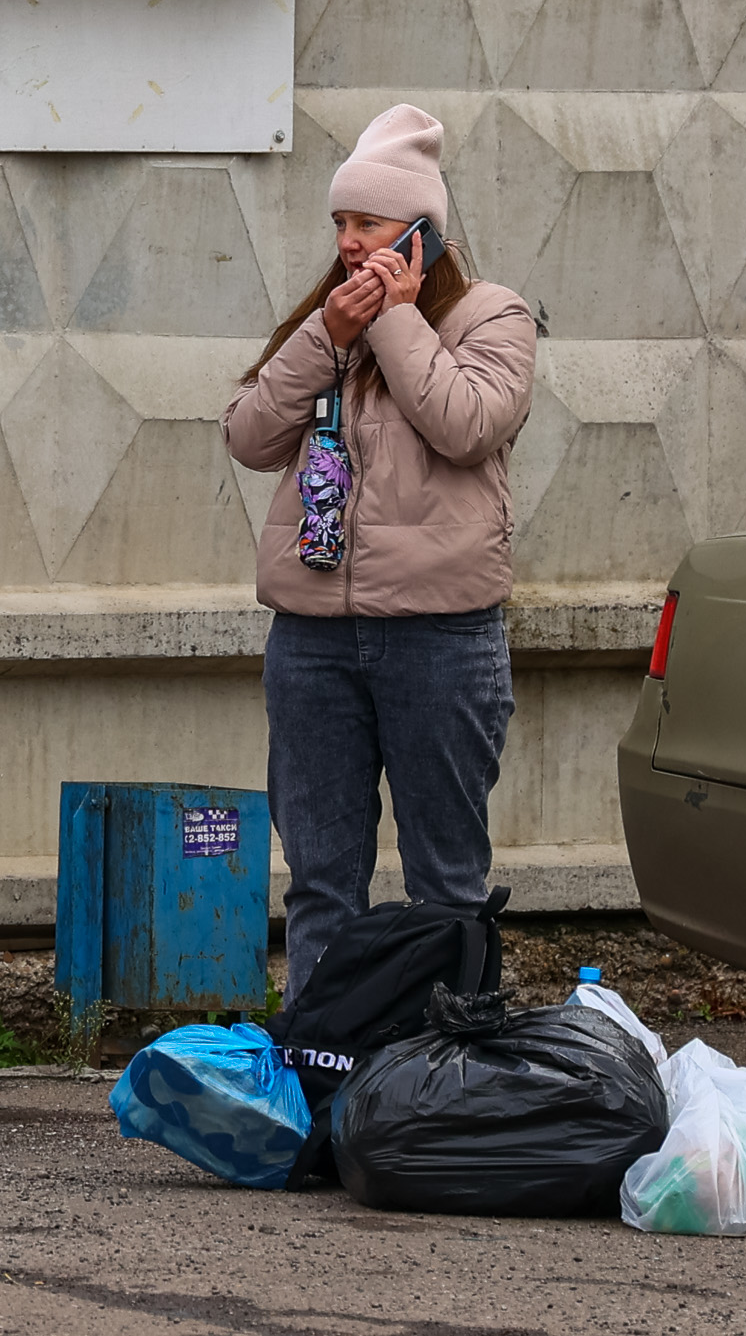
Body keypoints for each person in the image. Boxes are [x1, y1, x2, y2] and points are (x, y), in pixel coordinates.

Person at [223, 104, 538, 996]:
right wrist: (325, 338)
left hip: (440, 638)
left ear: (421, 233)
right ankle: (325, 1073)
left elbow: (467, 424)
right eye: (340, 224)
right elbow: (248, 435)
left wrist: (396, 323)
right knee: (322, 882)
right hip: (313, 637)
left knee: (446, 881)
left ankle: (452, 1081)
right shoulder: (326, 325)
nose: (350, 242)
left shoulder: (491, 317)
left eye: (367, 223)